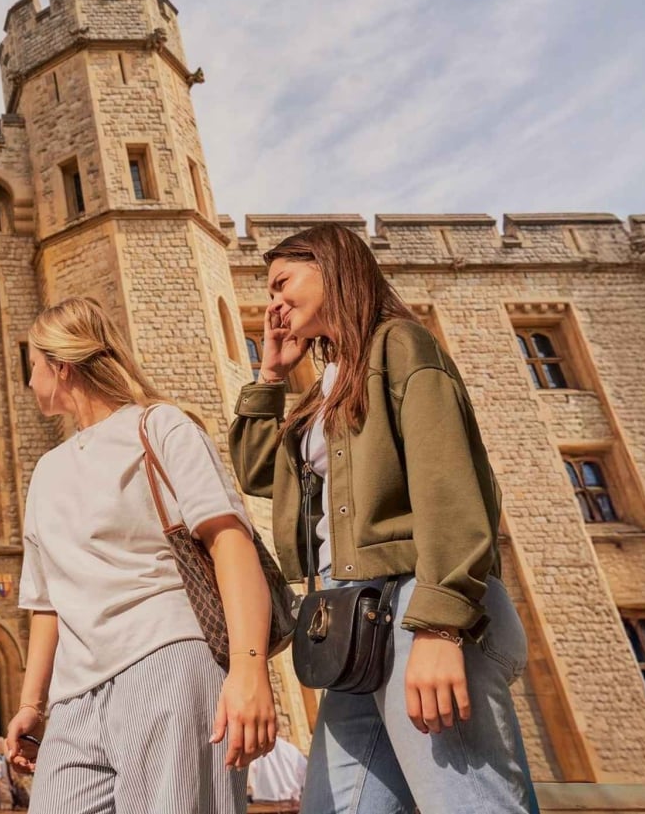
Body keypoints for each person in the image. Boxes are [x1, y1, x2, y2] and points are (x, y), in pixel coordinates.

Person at [229, 224, 539, 813]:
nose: (273, 304)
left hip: (414, 606)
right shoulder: (326, 385)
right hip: (354, 625)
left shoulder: (399, 345)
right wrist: (269, 378)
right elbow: (262, 474)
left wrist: (439, 628)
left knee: (470, 803)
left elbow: (449, 485)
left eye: (282, 283)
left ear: (331, 267)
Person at [5, 297, 276, 814]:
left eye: (33, 364)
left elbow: (229, 542)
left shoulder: (161, 427)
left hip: (168, 662)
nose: (29, 379)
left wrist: (248, 670)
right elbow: (45, 603)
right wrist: (31, 704)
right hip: (75, 695)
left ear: (61, 366)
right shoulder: (47, 471)